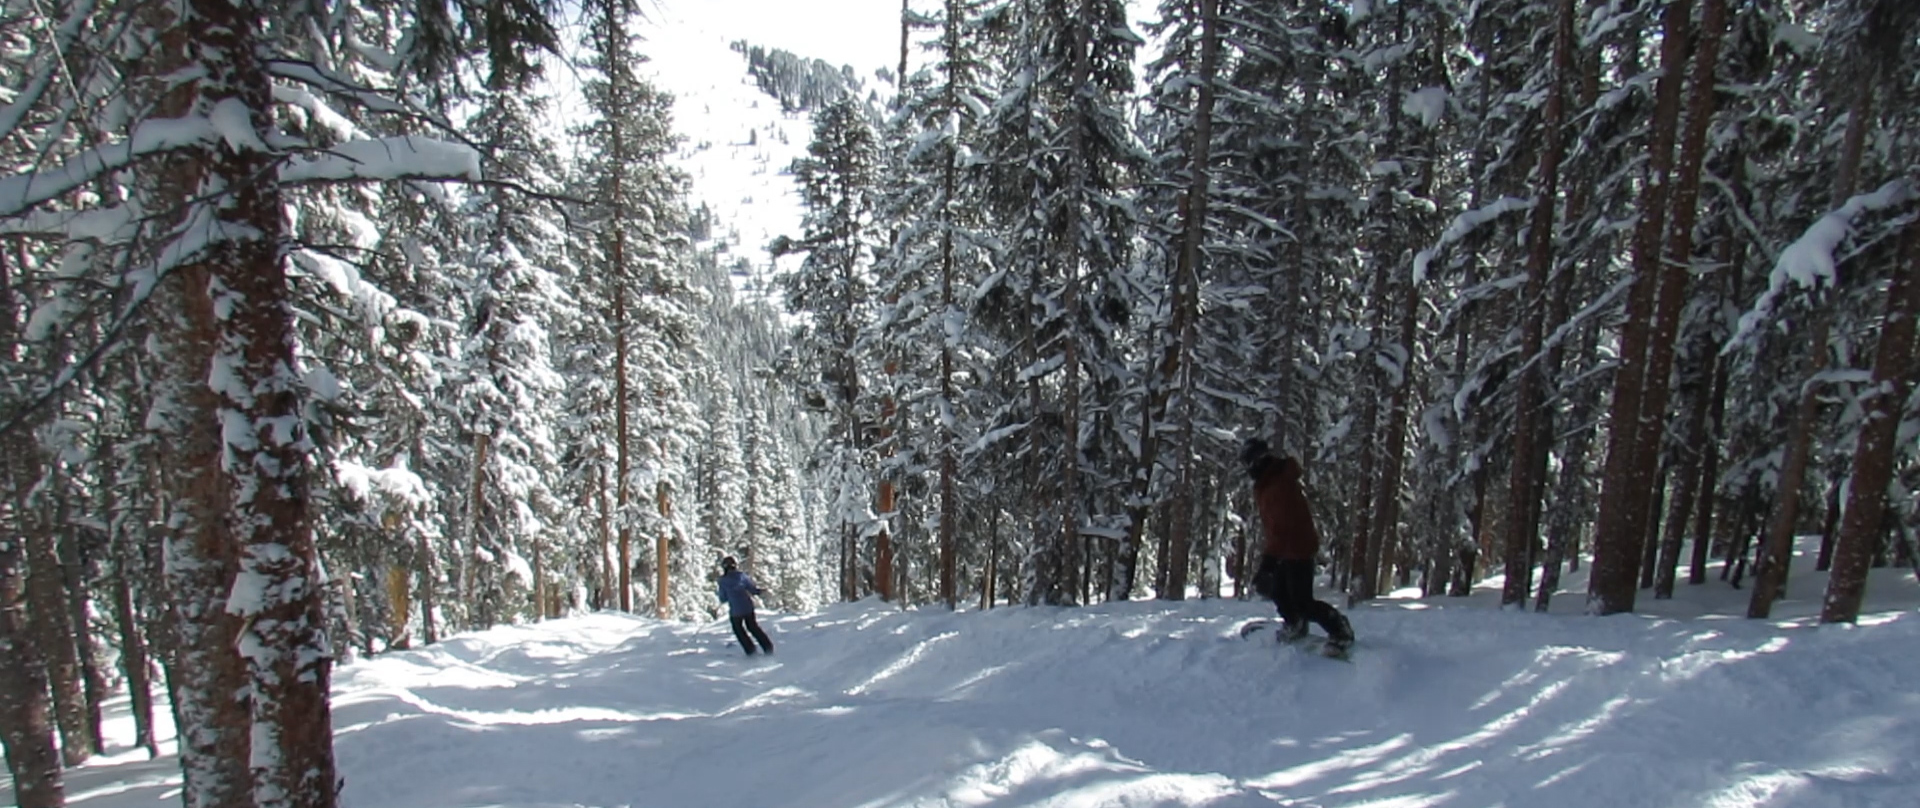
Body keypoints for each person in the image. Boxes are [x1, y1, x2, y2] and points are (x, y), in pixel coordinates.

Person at [1240, 438, 1355, 655]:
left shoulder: (1278, 485)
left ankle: (1340, 629)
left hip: (1297, 548)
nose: (1247, 469)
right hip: (1285, 548)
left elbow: (1285, 526)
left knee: (1302, 601)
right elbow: (1276, 528)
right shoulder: (1267, 483)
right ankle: (1295, 624)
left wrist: (1269, 563)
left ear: (1257, 461)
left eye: (1248, 463)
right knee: (1279, 592)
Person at [717, 556, 774, 656]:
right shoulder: (742, 576)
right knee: (753, 627)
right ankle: (767, 647)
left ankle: (750, 650)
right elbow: (752, 589)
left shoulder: (723, 581)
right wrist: (760, 591)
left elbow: (723, 598)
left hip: (735, 611)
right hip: (748, 607)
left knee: (738, 629)